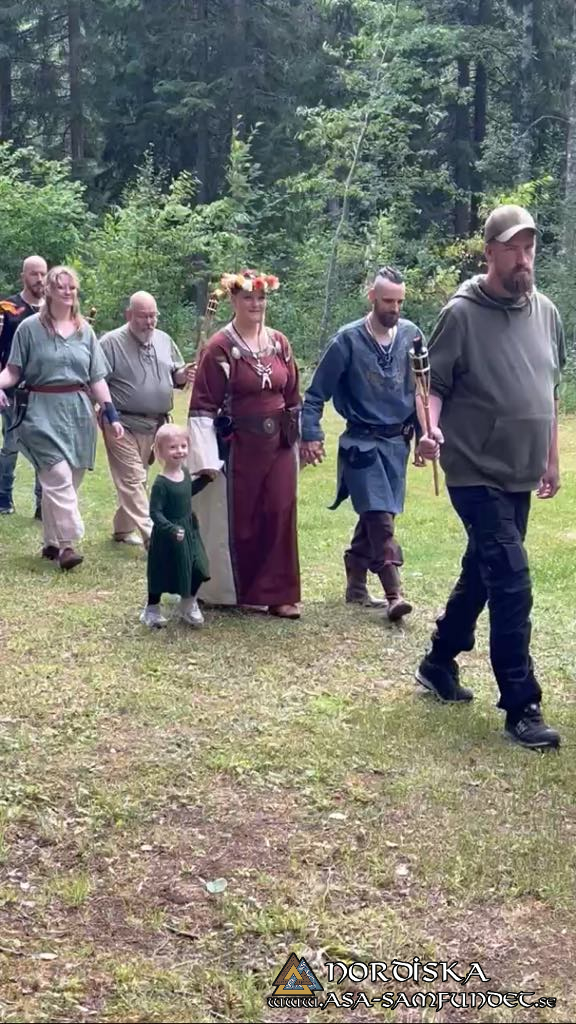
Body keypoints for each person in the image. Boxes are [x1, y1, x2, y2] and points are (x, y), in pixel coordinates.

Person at [416, 204, 565, 750]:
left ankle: (438, 661)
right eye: (513, 248)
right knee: (512, 580)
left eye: (529, 247)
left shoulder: (546, 311)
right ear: (490, 253)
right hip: (474, 470)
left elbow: (547, 389)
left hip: (520, 471)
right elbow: (431, 385)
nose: (524, 258)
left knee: (484, 571)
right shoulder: (461, 314)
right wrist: (429, 428)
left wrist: (551, 459)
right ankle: (522, 706)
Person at [300, 267, 424, 621]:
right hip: (361, 445)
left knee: (375, 515)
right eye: (387, 301)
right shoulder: (347, 340)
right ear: (372, 296)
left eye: (400, 301)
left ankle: (355, 582)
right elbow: (315, 395)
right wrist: (311, 433)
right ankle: (394, 594)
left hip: (396, 444)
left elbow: (421, 391)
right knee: (380, 520)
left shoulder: (413, 336)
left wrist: (422, 435)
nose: (394, 308)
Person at [187, 269, 301, 618]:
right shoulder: (220, 348)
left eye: (261, 298)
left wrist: (303, 436)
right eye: (248, 298)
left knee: (280, 511)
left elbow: (293, 395)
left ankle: (279, 594)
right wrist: (206, 458)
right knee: (241, 517)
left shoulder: (279, 343)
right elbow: (203, 404)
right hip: (238, 447)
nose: (256, 304)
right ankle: (230, 589)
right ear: (234, 300)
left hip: (278, 444)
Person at [0, 266, 123, 570]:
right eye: (61, 287)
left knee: (71, 480)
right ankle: (69, 544)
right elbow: (13, 371)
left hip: (78, 410)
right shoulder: (29, 328)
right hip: (41, 408)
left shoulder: (85, 330)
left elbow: (96, 377)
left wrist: (110, 412)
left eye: (72, 288)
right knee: (58, 477)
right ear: (50, 291)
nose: (67, 293)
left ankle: (51, 541)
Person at [99, 291, 195, 548]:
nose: (150, 322)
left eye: (153, 316)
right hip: (121, 422)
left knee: (137, 477)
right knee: (132, 478)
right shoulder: (110, 343)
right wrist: (106, 415)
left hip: (156, 425)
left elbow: (176, 376)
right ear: (129, 315)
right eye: (143, 316)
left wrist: (184, 374)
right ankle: (154, 535)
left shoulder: (164, 340)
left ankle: (122, 530)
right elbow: (96, 381)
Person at [141, 424, 212, 628]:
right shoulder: (161, 483)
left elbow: (187, 491)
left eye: (183, 446)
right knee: (162, 570)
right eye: (172, 447)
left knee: (199, 567)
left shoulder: (186, 472)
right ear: (160, 451)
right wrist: (171, 529)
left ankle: (188, 604)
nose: (179, 451)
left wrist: (206, 480)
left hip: (189, 529)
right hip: (168, 535)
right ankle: (152, 610)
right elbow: (155, 512)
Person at [0, 255, 47, 516]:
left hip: (43, 390)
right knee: (11, 444)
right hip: (12, 389)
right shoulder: (6, 307)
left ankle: (43, 503)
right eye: (33, 274)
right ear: (23, 276)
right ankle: (4, 497)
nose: (39, 279)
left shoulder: (52, 310)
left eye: (43, 273)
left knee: (45, 446)